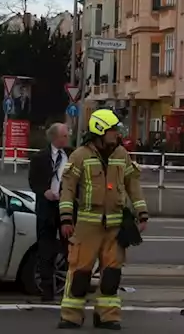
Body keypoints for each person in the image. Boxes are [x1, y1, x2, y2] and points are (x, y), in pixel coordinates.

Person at [57, 109, 148, 330]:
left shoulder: (121, 155)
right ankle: (71, 315)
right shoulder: (80, 156)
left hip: (115, 226)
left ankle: (107, 316)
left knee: (112, 274)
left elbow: (132, 186)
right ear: (99, 131)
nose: (117, 134)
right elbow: (67, 189)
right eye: (113, 130)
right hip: (88, 224)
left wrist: (142, 213)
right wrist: (66, 219)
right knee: (80, 272)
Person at [29, 122, 71, 301]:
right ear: (55, 138)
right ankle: (47, 290)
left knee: (70, 248)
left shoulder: (72, 155)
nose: (67, 138)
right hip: (47, 207)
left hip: (66, 208)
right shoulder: (40, 157)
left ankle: (70, 288)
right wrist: (44, 191)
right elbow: (33, 181)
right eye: (64, 136)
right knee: (45, 249)